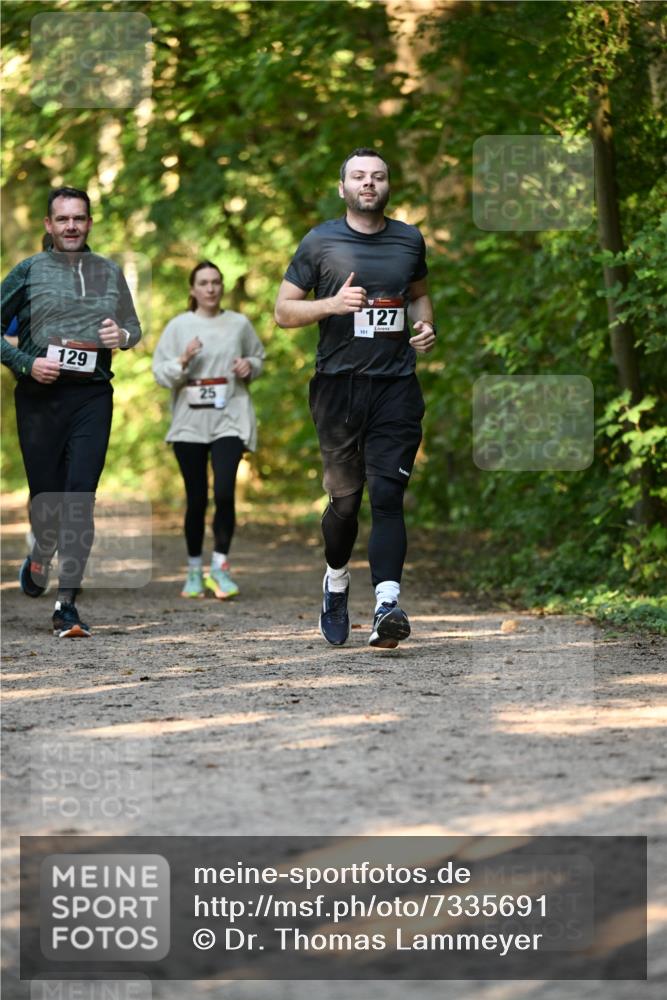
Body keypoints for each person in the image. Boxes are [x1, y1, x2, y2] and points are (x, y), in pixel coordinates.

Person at [274, 148, 436, 648]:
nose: (369, 183)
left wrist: (426, 325)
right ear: (342, 187)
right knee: (345, 503)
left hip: (396, 387)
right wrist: (331, 304)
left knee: (388, 496)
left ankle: (387, 605)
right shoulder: (320, 242)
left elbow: (419, 295)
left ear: (389, 186)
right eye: (359, 177)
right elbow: (282, 311)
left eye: (379, 176)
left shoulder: (409, 240)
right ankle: (336, 579)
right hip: (338, 389)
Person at [1, 186, 142, 637]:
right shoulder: (28, 271)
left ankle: (66, 604)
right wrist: (25, 363)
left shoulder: (108, 270)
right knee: (48, 502)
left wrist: (120, 335)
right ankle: (42, 547)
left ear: (89, 223)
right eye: (62, 219)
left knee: (80, 499)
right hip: (40, 400)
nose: (71, 227)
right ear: (48, 225)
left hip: (91, 397)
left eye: (78, 218)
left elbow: (133, 328)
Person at [152, 261, 265, 600]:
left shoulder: (239, 324)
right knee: (197, 498)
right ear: (193, 289)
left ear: (222, 286)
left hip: (230, 418)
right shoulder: (178, 326)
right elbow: (160, 374)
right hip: (189, 424)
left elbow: (258, 359)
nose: (211, 288)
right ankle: (192, 571)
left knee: (225, 492)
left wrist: (249, 366)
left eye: (216, 282)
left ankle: (220, 566)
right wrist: (183, 360)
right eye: (203, 283)